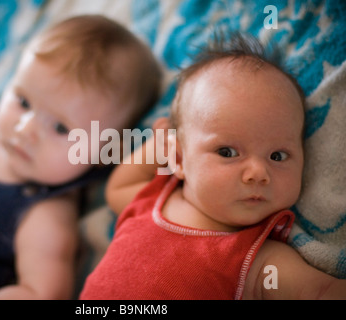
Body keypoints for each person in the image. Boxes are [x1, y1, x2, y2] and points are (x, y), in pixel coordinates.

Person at [0, 14, 161, 300]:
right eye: (23, 101)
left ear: (103, 153)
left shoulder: (45, 214)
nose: (25, 129)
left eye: (60, 127)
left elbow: (42, 293)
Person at [79, 33, 346, 300]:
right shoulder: (151, 201)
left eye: (277, 156)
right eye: (227, 152)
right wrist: (162, 144)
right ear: (179, 158)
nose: (258, 173)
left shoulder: (258, 259)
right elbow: (117, 186)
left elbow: (319, 291)